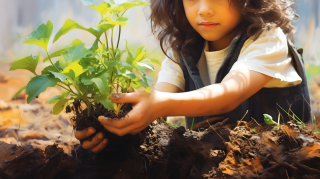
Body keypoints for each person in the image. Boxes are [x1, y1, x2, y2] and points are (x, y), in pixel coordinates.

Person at [75, 0, 311, 153]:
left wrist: (158, 105)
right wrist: (113, 127)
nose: (204, 9)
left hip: (274, 162)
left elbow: (230, 94)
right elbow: (160, 98)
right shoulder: (184, 48)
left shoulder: (267, 39)